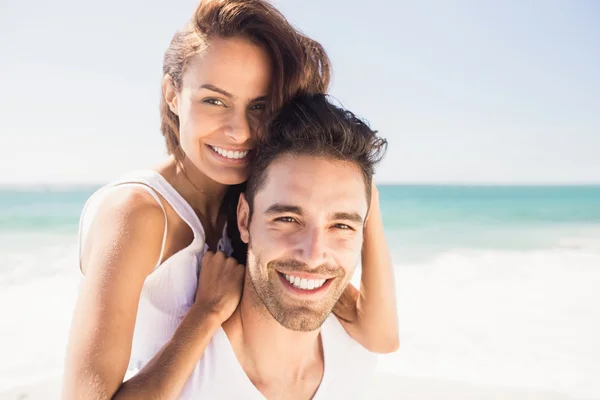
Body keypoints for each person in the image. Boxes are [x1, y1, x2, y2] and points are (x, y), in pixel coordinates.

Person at [63, 1, 398, 399]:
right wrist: (204, 314)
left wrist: (362, 189)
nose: (239, 132)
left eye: (259, 107)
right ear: (172, 94)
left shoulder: (259, 204)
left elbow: (378, 334)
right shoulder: (140, 213)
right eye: (214, 101)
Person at [182, 93, 389, 399]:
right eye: (288, 219)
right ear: (244, 219)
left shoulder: (356, 359)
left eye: (341, 225)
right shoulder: (186, 378)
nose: (314, 254)